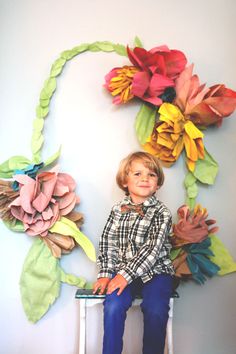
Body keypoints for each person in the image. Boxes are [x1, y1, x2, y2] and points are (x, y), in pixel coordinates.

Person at [93, 151, 174, 354]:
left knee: (156, 309)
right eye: (137, 174)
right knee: (113, 305)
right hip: (121, 273)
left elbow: (151, 249)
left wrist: (123, 276)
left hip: (155, 273)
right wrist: (105, 275)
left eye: (151, 174)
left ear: (158, 183)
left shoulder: (162, 212)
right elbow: (107, 243)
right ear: (125, 181)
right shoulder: (117, 210)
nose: (145, 178)